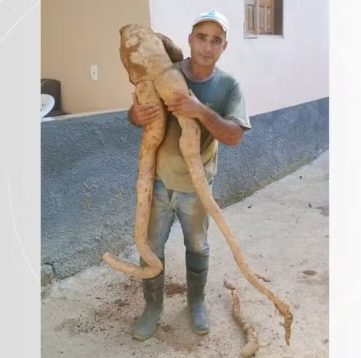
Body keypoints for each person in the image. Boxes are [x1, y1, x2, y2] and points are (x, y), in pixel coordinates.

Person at [126, 10, 251, 341]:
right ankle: (152, 307)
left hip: (196, 187)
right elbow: (134, 114)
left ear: (224, 46)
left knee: (197, 246)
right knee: (150, 247)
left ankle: (196, 302)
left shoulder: (228, 86)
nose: (207, 46)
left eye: (215, 40)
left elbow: (235, 136)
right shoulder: (163, 71)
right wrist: (135, 115)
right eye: (201, 37)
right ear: (190, 40)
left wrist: (199, 110)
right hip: (156, 183)